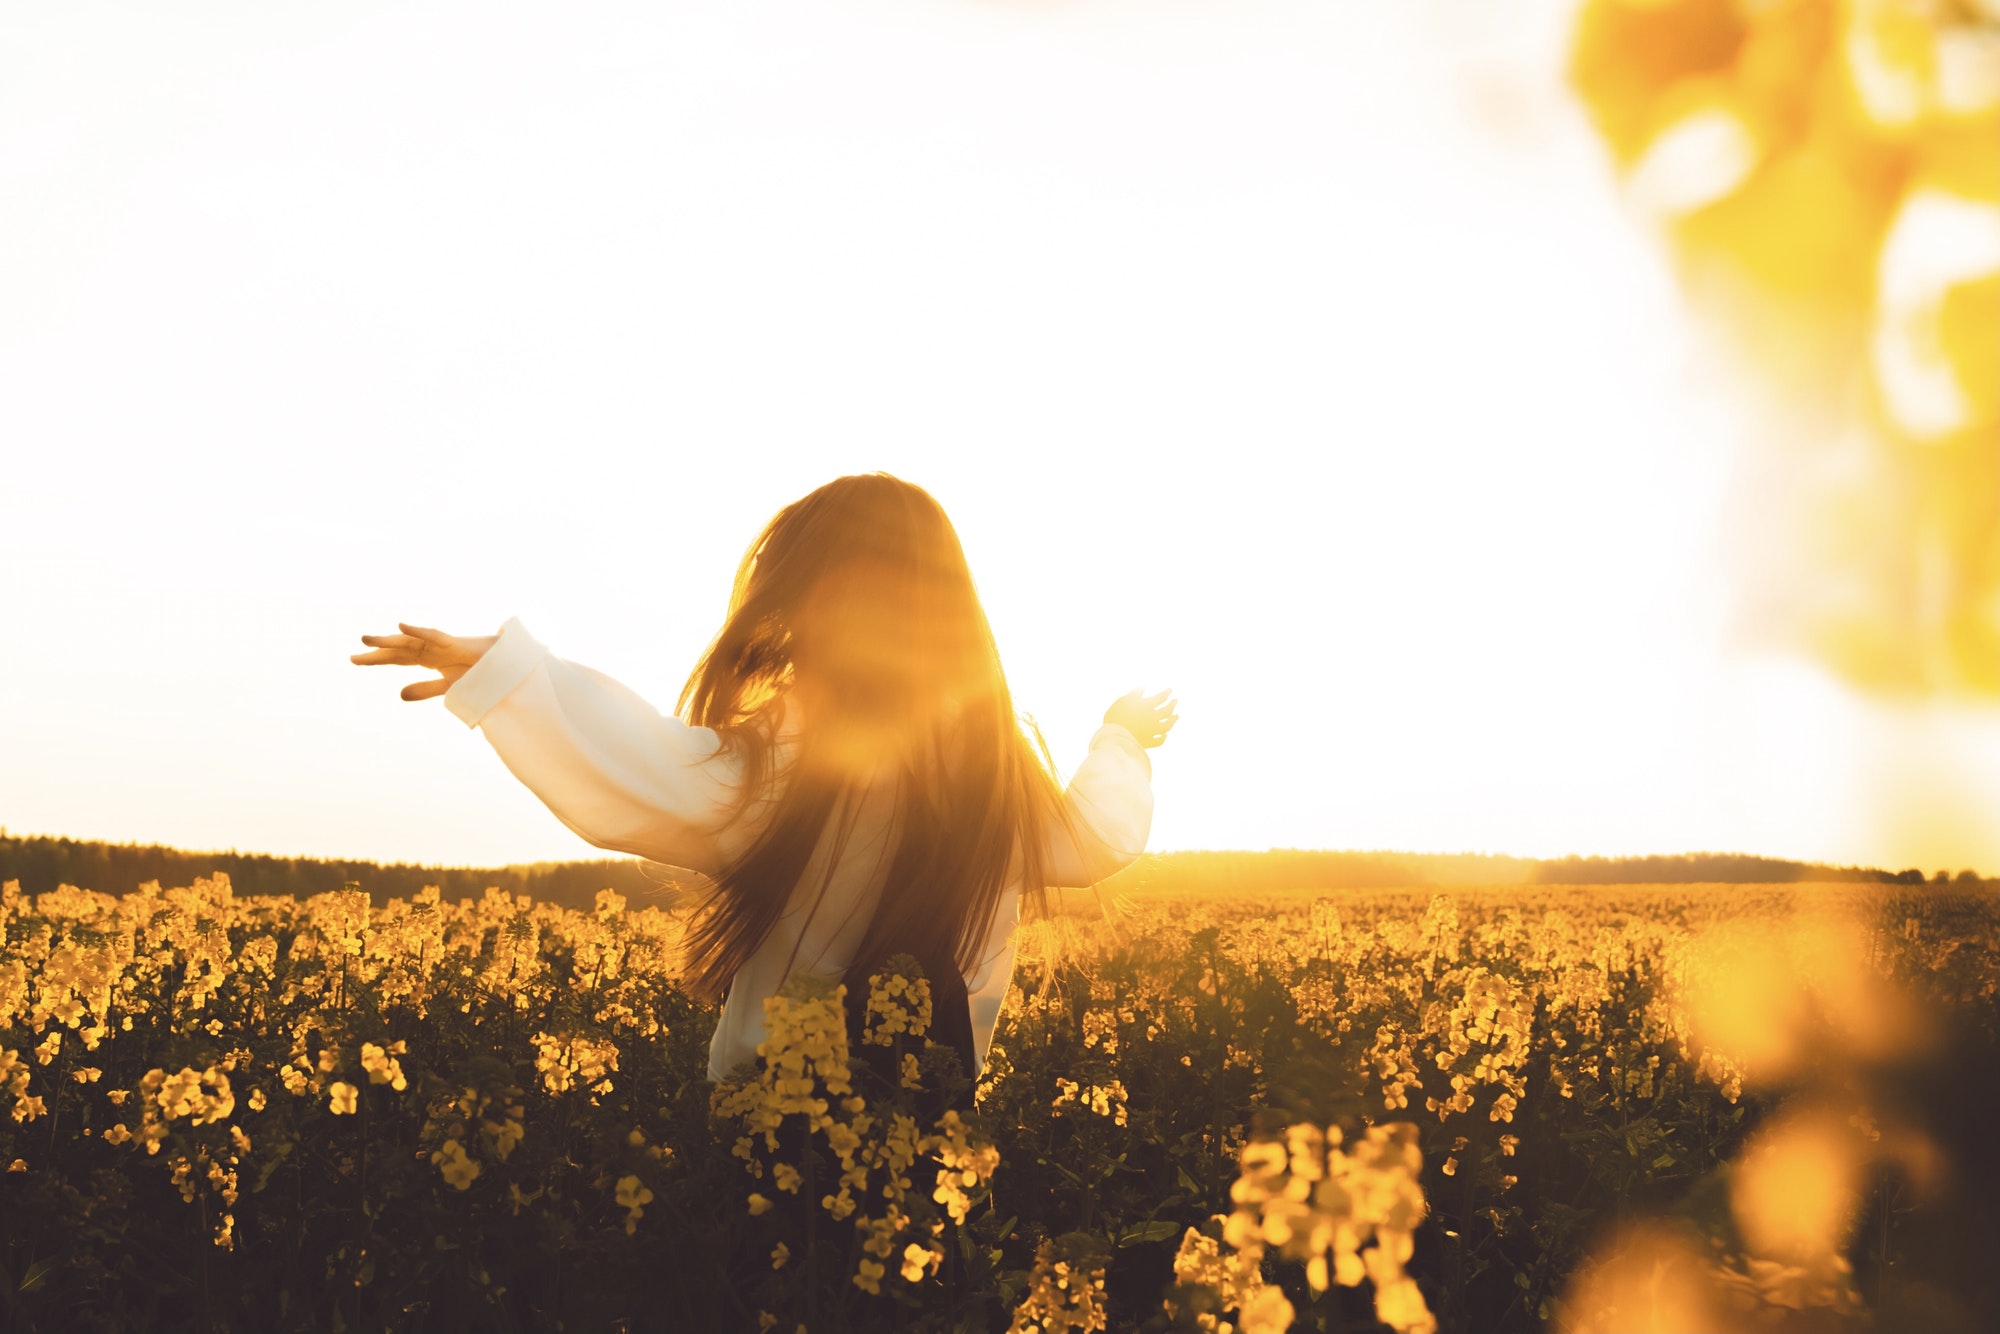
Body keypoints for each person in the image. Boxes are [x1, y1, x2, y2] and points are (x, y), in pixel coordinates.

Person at [351, 472, 1175, 1086]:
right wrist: (1120, 739)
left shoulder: (792, 750)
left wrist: (510, 671)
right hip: (934, 1117)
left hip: (775, 1123)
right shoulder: (989, 769)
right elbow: (1093, 838)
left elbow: (641, 764)